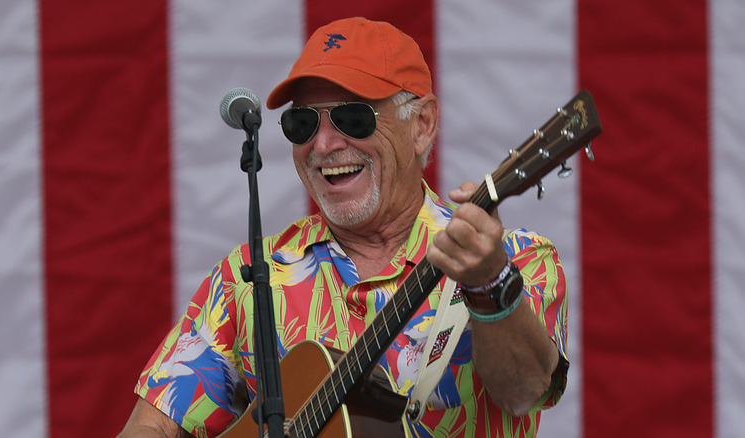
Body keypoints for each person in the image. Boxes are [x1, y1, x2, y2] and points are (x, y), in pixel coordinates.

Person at [119, 16, 568, 438]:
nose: (325, 143)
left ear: (423, 125)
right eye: (303, 122)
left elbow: (524, 392)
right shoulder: (249, 274)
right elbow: (152, 425)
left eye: (354, 117)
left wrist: (491, 282)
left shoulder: (517, 259)